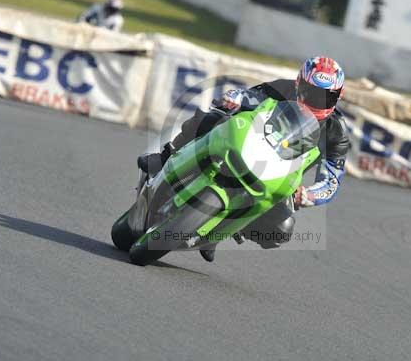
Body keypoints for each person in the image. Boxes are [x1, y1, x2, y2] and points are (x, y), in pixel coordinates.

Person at [138, 56, 349, 262]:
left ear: (338, 96)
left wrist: (308, 195)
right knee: (213, 116)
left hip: (279, 174)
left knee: (282, 230)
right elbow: (249, 96)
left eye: (326, 97)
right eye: (311, 93)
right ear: (299, 84)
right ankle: (166, 155)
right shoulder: (283, 89)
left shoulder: (337, 133)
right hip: (249, 144)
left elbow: (331, 181)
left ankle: (223, 232)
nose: (317, 102)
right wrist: (236, 99)